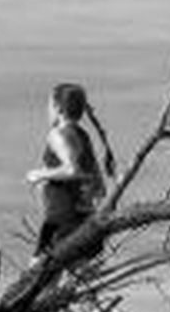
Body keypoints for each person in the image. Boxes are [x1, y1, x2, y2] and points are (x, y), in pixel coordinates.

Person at [25, 83, 116, 264]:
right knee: (68, 281)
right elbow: (99, 187)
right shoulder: (83, 136)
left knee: (36, 276)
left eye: (49, 106)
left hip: (61, 223)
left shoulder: (58, 135)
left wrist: (40, 174)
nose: (47, 111)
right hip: (86, 221)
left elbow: (71, 169)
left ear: (58, 108)